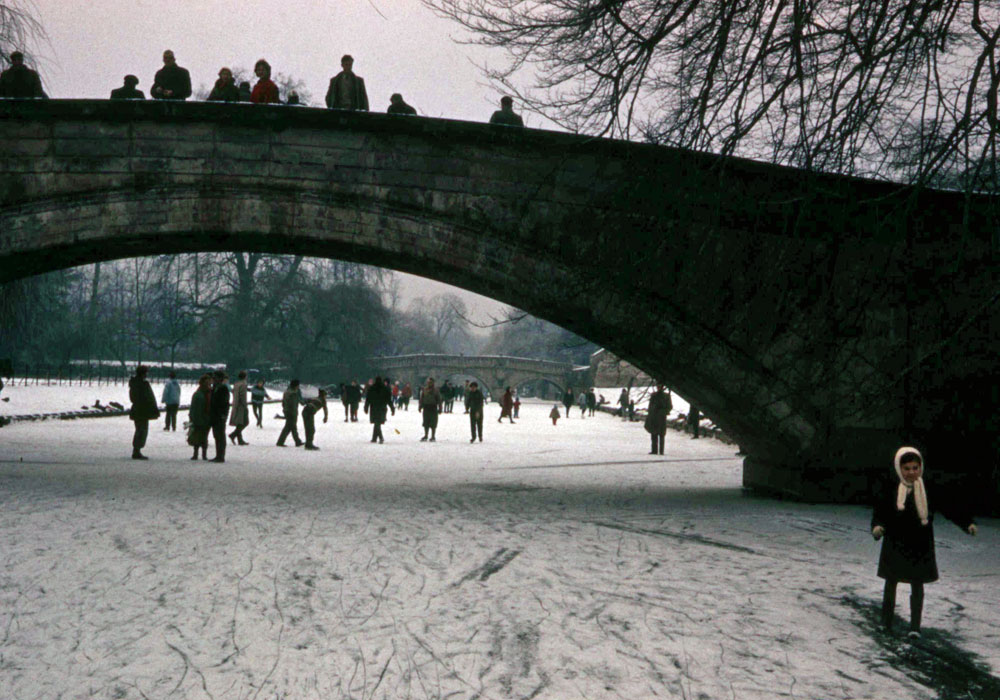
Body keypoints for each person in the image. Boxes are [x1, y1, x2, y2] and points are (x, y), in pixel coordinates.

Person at [871, 447, 977, 636]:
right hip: (895, 542)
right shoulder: (891, 489)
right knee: (891, 583)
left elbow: (950, 506)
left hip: (919, 545)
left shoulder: (928, 489)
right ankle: (885, 622)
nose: (911, 472)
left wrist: (966, 523)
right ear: (899, 469)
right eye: (907, 468)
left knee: (917, 585)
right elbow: (880, 511)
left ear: (921, 467)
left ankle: (915, 627)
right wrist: (877, 527)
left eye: (915, 468)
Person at [128, 365, 159, 460]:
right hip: (142, 410)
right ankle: (137, 450)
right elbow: (149, 398)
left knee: (139, 429)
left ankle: (136, 449)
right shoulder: (143, 384)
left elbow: (133, 398)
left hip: (137, 410)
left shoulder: (134, 384)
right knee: (142, 430)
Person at [187, 374, 212, 461]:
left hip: (206, 417)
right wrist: (192, 417)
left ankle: (203, 454)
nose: (209, 383)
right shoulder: (199, 394)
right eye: (207, 381)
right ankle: (196, 453)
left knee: (204, 436)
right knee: (198, 436)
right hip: (199, 417)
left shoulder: (208, 393)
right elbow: (193, 407)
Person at [364, 375, 394, 443]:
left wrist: (366, 407)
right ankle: (375, 438)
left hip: (374, 408)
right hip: (382, 408)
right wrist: (392, 409)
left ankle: (379, 437)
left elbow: (368, 399)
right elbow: (389, 400)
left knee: (376, 422)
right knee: (378, 423)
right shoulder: (385, 389)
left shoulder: (371, 388)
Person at [209, 371, 231, 462]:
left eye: (215, 378)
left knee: (220, 435)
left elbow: (224, 403)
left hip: (220, 415)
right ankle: (218, 454)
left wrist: (223, 415)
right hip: (215, 415)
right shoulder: (215, 388)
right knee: (217, 435)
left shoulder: (223, 389)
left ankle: (220, 455)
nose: (213, 379)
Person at [644, 384, 671, 455]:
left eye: (659, 386)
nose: (658, 388)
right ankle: (655, 450)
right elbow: (650, 406)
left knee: (660, 435)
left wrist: (663, 412)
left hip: (660, 417)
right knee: (655, 434)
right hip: (656, 417)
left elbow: (669, 406)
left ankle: (660, 451)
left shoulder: (665, 396)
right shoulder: (655, 395)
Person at [277, 379, 304, 447]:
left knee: (291, 427)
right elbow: (295, 403)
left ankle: (297, 441)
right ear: (295, 385)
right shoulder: (293, 393)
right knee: (290, 427)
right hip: (292, 412)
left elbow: (283, 403)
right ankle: (281, 442)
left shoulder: (287, 391)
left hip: (288, 411)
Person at [228, 370, 250, 445]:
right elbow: (243, 396)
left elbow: (233, 392)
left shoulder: (236, 384)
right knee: (245, 422)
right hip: (241, 406)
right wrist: (245, 406)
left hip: (235, 404)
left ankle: (240, 439)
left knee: (239, 423)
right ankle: (233, 435)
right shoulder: (243, 384)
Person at [419, 377, 442, 441]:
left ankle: (433, 436)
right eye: (428, 382)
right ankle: (426, 435)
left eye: (430, 382)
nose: (429, 384)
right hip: (426, 407)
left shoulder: (436, 390)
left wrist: (440, 408)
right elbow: (422, 398)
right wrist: (420, 406)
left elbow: (439, 400)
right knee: (426, 422)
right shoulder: (424, 389)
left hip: (433, 407)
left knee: (433, 423)